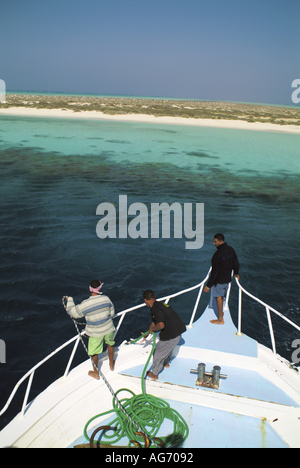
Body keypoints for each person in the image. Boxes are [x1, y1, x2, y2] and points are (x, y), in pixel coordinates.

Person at [64, 280, 115, 379]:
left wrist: (69, 300)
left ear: (90, 289)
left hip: (95, 333)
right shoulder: (106, 299)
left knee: (94, 353)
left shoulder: (85, 304)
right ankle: (111, 365)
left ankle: (96, 373)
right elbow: (112, 314)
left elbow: (72, 313)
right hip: (109, 328)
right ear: (100, 288)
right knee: (110, 344)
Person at [142, 290, 186, 381]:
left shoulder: (155, 309)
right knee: (166, 348)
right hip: (177, 331)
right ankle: (166, 363)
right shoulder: (158, 305)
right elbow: (154, 322)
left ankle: (154, 374)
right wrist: (148, 332)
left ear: (145, 300)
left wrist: (152, 329)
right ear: (154, 297)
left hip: (172, 335)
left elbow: (161, 325)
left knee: (157, 352)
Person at [204, 233, 239, 325]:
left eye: (215, 242)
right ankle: (221, 312)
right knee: (222, 296)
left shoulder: (217, 255)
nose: (214, 243)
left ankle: (220, 319)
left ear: (221, 241)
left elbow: (215, 272)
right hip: (227, 279)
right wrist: (236, 273)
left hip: (219, 280)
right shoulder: (231, 249)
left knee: (218, 298)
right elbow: (236, 262)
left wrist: (208, 285)